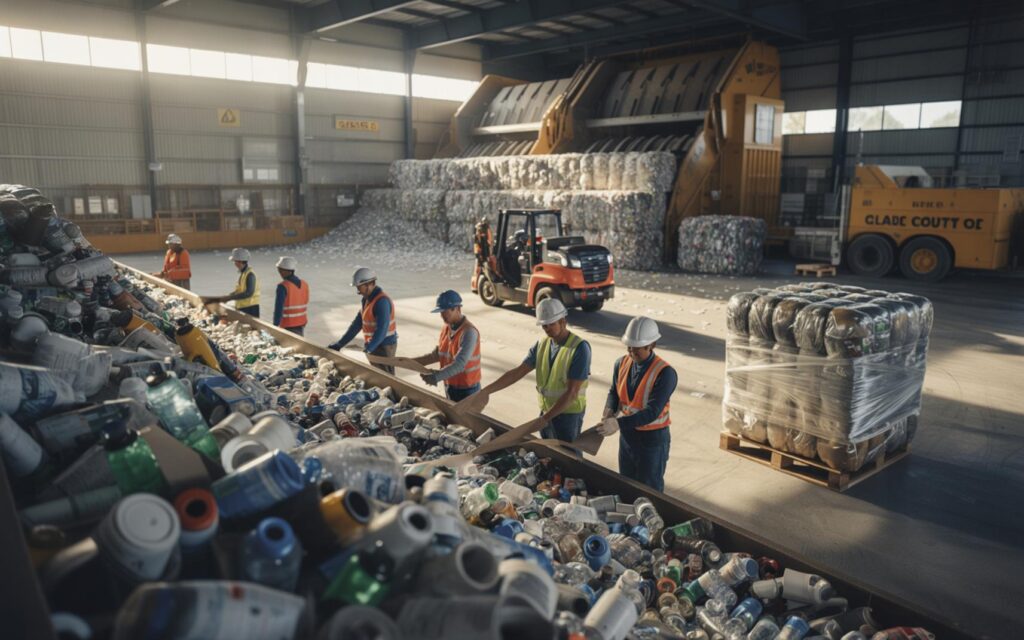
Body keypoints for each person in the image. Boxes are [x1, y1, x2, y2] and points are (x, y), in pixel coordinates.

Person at [467, 298, 589, 442]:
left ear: (563, 321)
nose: (547, 329)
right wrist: (486, 391)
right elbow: (518, 372)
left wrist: (544, 419)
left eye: (550, 325)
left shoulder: (579, 348)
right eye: (544, 326)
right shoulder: (542, 344)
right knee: (549, 455)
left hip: (568, 415)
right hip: (547, 412)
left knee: (569, 456)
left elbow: (572, 393)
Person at [594, 316, 678, 492]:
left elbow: (652, 412)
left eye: (636, 348)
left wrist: (617, 423)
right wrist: (609, 413)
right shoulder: (622, 363)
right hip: (628, 437)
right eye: (629, 346)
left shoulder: (665, 373)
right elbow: (614, 392)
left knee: (649, 491)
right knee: (627, 485)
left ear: (652, 345)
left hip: (652, 442)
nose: (631, 352)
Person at [413, 290, 481, 402]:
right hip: (450, 386)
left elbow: (460, 364)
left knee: (464, 420)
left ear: (457, 309)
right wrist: (410, 363)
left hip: (468, 391)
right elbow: (437, 355)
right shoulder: (447, 328)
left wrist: (436, 376)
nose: (442, 315)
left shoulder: (469, 332)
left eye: (445, 311)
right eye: (440, 312)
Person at [328, 267, 398, 374]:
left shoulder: (381, 302)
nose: (358, 292)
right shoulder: (367, 300)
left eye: (359, 287)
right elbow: (356, 325)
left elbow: (382, 329)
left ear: (368, 285)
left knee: (386, 379)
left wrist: (369, 348)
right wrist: (340, 344)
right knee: (377, 377)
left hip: (384, 347)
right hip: (374, 344)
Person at [200, 248, 260, 317]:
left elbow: (248, 293)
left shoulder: (250, 275)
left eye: (235, 261)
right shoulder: (244, 273)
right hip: (243, 306)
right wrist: (228, 296)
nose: (234, 263)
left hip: (251, 308)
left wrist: (230, 297)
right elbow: (240, 290)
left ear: (240, 261)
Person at [272, 256, 309, 336]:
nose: (279, 273)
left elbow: (278, 309)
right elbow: (305, 301)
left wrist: (275, 326)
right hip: (301, 322)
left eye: (280, 270)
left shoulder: (283, 286)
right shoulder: (304, 284)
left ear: (286, 271)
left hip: (288, 325)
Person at [471, 217, 493, 293]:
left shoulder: (479, 230)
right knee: (479, 269)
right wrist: (480, 255)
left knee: (479, 270)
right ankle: (476, 286)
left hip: (482, 253)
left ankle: (476, 286)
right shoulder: (483, 230)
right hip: (482, 253)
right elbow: (489, 242)